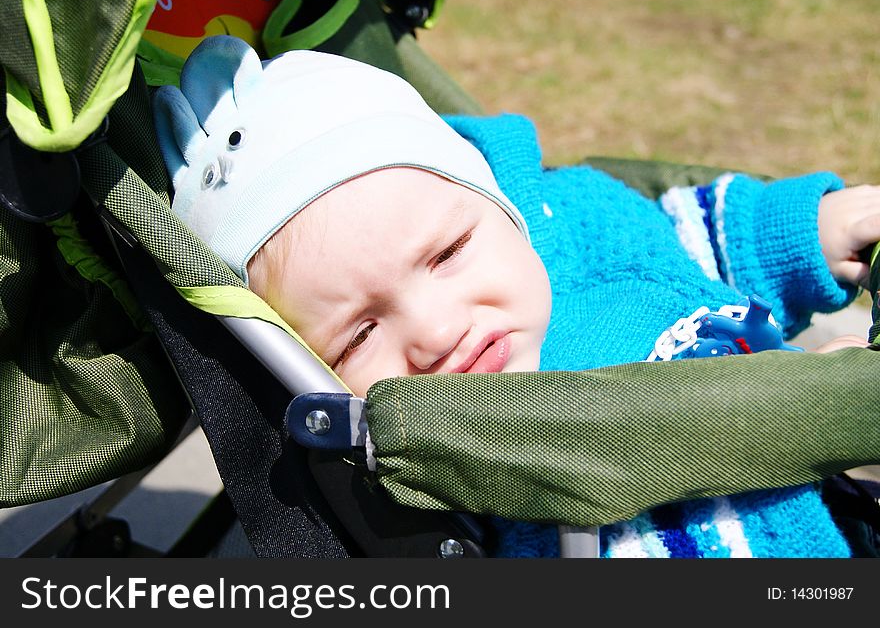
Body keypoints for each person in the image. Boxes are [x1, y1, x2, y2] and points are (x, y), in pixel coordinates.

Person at [153, 35, 880, 557]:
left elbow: (689, 233)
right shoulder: (441, 454)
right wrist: (814, 394)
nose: (439, 330)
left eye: (446, 254)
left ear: (504, 204)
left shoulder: (574, 226)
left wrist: (806, 231)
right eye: (359, 334)